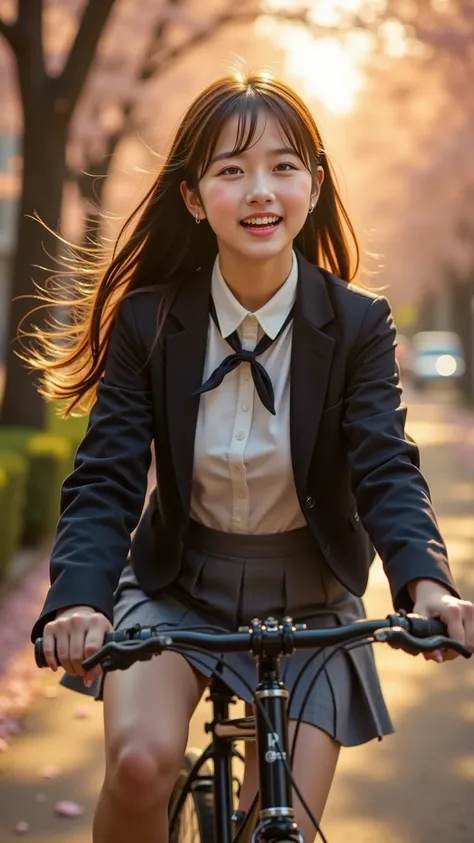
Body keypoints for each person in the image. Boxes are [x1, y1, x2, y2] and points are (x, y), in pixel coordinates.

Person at [28, 71, 473, 843]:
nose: (260, 190)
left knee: (278, 827)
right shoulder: (150, 321)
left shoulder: (358, 323)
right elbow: (106, 475)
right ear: (195, 199)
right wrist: (79, 601)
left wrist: (427, 586)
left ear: (314, 183)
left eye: (283, 166)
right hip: (176, 583)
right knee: (139, 763)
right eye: (231, 171)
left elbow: (384, 465)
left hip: (313, 597)